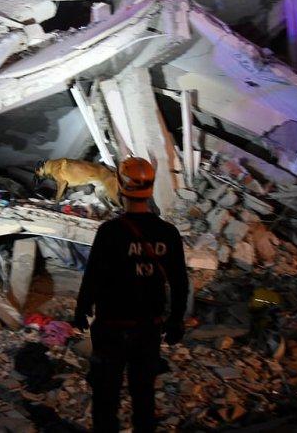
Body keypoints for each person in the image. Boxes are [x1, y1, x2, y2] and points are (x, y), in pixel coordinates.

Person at [74, 157, 189, 432]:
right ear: (149, 188)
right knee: (143, 395)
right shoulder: (168, 233)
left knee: (105, 395)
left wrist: (82, 308)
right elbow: (179, 282)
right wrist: (176, 320)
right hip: (148, 328)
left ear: (122, 187)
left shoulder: (110, 232)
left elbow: (93, 275)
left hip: (111, 327)